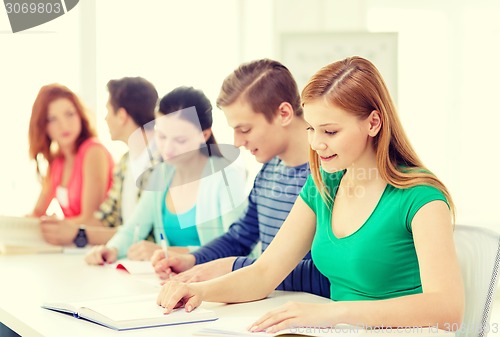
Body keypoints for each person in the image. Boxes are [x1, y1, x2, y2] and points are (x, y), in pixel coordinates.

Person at [156, 56, 465, 332]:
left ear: (373, 122)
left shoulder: (421, 197)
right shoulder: (323, 186)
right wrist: (202, 292)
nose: (316, 144)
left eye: (330, 131)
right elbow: (265, 272)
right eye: (312, 130)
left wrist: (336, 313)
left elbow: (448, 309)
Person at [151, 59, 331, 298]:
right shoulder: (269, 170)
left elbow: (329, 273)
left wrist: (232, 268)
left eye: (244, 130)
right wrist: (193, 259)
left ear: (284, 113)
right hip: (270, 306)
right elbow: (241, 236)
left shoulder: (329, 174)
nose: (237, 142)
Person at [85, 86, 247, 264]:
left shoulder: (226, 178)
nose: (168, 148)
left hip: (212, 283)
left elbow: (238, 247)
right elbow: (133, 228)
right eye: (162, 137)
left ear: (204, 135)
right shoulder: (161, 175)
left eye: (180, 140)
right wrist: (111, 249)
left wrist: (168, 252)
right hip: (171, 281)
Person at [38, 77, 159, 246]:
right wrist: (62, 228)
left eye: (108, 111)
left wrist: (78, 233)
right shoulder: (125, 163)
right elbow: (106, 219)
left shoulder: (163, 161)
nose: (105, 119)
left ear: (122, 116)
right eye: (53, 119)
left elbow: (146, 235)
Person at [28, 84, 114, 242]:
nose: (64, 125)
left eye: (69, 114)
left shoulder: (93, 152)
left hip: (100, 247)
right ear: (43, 126)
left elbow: (91, 220)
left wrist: (51, 226)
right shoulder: (57, 162)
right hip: (74, 249)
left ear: (80, 115)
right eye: (52, 119)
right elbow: (37, 213)